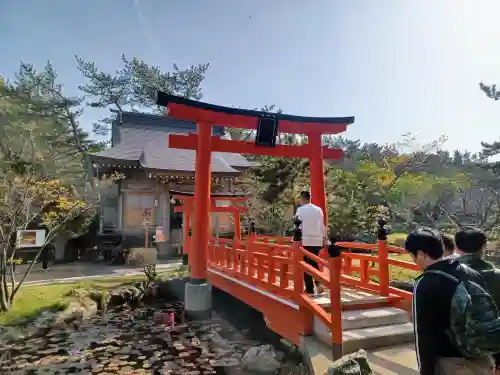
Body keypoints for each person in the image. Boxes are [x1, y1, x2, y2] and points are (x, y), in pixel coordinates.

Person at [405, 227, 496, 375]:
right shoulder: (469, 272)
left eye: (412, 255)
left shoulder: (425, 282)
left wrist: (425, 371)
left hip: (451, 364)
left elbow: (424, 335)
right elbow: (491, 314)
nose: (413, 260)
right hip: (483, 360)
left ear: (421, 254)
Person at [455, 227, 500, 373]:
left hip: (455, 352)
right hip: (493, 347)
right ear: (483, 247)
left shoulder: (444, 276)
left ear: (457, 247)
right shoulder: (497, 276)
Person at [295, 191, 328, 295]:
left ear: (302, 198)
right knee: (313, 262)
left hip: (305, 240)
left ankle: (310, 289)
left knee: (306, 265)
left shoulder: (300, 210)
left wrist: (295, 240)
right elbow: (322, 225)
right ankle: (318, 284)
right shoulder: (318, 210)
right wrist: (324, 238)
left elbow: (297, 226)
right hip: (317, 240)